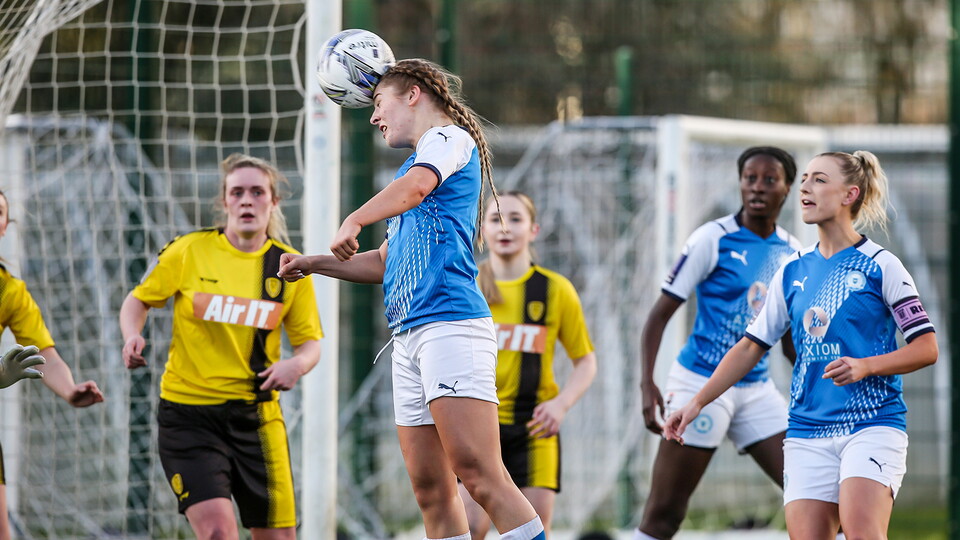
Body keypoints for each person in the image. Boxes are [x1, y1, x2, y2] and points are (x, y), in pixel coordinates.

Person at [278, 59, 546, 540]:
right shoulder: (411, 171)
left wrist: (353, 220)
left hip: (450, 325)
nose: (373, 117)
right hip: (409, 339)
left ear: (414, 95)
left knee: (481, 475)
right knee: (430, 491)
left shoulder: (446, 140)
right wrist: (314, 262)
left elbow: (418, 186)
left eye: (378, 103)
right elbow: (385, 262)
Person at [664, 151, 938, 539]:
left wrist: (866, 366)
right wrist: (695, 402)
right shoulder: (792, 269)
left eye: (820, 179)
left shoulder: (882, 265)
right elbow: (748, 347)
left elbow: (927, 347)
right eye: (805, 178)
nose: (806, 187)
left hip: (872, 425)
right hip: (807, 432)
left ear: (849, 195)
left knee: (861, 532)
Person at [119, 154, 323, 540]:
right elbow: (137, 300)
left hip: (257, 419)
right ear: (224, 202)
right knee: (217, 532)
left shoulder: (288, 267)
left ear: (274, 202)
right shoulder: (187, 251)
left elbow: (310, 343)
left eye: (257, 192)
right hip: (189, 416)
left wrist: (297, 365)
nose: (247, 200)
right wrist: (133, 334)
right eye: (238, 192)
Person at [635, 147, 802, 540]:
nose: (757, 187)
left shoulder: (793, 252)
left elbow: (791, 344)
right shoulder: (713, 238)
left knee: (813, 494)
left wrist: (825, 382)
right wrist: (648, 384)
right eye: (750, 178)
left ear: (788, 188)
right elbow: (658, 316)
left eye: (769, 179)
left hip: (756, 390)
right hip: (699, 383)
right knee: (664, 515)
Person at [458, 191, 598, 539]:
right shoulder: (466, 287)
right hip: (476, 427)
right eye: (495, 219)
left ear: (533, 230)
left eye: (516, 219)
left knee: (531, 530)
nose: (505, 227)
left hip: (534, 430)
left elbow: (586, 361)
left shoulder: (555, 290)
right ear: (481, 233)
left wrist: (560, 404)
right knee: (471, 527)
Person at [0, 189, 104, 540]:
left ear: (5, 227)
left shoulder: (11, 292)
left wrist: (70, 391)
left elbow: (45, 354)